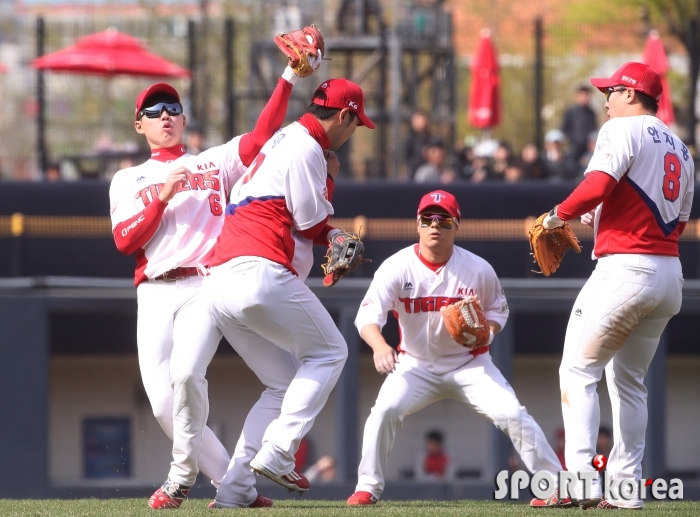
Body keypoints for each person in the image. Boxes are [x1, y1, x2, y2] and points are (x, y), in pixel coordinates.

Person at [109, 49, 322, 509]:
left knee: (187, 374)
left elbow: (262, 135)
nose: (165, 116)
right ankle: (231, 484)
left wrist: (287, 74)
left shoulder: (213, 162)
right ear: (139, 125)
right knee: (164, 405)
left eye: (172, 109)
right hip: (155, 290)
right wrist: (161, 197)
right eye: (153, 111)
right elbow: (126, 242)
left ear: (183, 120)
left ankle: (180, 477)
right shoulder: (129, 179)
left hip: (205, 287)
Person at [204, 77, 375, 508]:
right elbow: (309, 220)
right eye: (356, 123)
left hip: (220, 284)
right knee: (330, 352)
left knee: (282, 385)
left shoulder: (285, 138)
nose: (355, 132)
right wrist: (332, 186)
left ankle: (234, 490)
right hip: (257, 270)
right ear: (344, 116)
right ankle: (281, 451)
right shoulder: (305, 147)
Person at [531, 62, 693, 509]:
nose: (605, 100)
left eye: (612, 91)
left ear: (631, 93)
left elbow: (598, 183)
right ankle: (625, 489)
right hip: (667, 276)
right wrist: (598, 216)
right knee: (631, 384)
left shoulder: (621, 130)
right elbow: (673, 221)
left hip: (626, 270)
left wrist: (556, 215)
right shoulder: (682, 148)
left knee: (578, 371)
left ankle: (581, 479)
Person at [346, 190, 563, 506]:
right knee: (384, 412)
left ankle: (556, 486)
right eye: (427, 219)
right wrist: (379, 345)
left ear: (456, 225)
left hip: (469, 364)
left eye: (444, 219)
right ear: (417, 225)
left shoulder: (477, 268)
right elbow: (367, 317)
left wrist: (487, 332)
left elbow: (498, 311)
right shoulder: (397, 267)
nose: (435, 225)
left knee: (513, 414)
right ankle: (367, 487)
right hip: (414, 364)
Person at [561, 85, 598, 162]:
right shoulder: (570, 112)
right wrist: (573, 139)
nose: (585, 98)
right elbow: (564, 129)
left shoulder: (591, 113)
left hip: (588, 149)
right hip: (573, 148)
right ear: (577, 96)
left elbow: (594, 129)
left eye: (587, 95)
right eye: (582, 95)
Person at [405, 110, 432, 178]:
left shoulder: (431, 137)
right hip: (414, 174)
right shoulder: (409, 138)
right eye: (420, 120)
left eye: (424, 120)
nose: (423, 123)